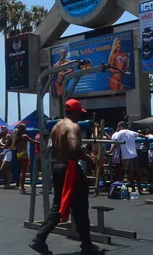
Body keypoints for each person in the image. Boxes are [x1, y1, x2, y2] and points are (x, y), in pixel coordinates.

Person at [30, 99, 99, 255]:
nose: (80, 118)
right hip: (70, 169)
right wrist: (89, 159)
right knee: (80, 208)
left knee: (59, 205)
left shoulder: (56, 127)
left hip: (58, 166)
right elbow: (74, 148)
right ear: (74, 111)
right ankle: (86, 246)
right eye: (79, 114)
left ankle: (40, 239)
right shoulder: (73, 127)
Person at [109, 120, 147, 194]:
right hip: (134, 155)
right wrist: (145, 136)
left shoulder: (120, 133)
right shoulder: (131, 132)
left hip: (127, 156)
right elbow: (139, 135)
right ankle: (139, 189)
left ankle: (133, 189)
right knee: (136, 172)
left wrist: (110, 151)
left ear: (120, 126)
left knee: (129, 173)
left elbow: (115, 142)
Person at [12, 123, 39, 194]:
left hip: (18, 154)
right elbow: (34, 141)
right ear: (23, 129)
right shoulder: (25, 136)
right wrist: (41, 142)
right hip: (24, 153)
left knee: (22, 171)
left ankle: (21, 186)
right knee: (23, 172)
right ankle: (22, 187)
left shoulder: (17, 137)